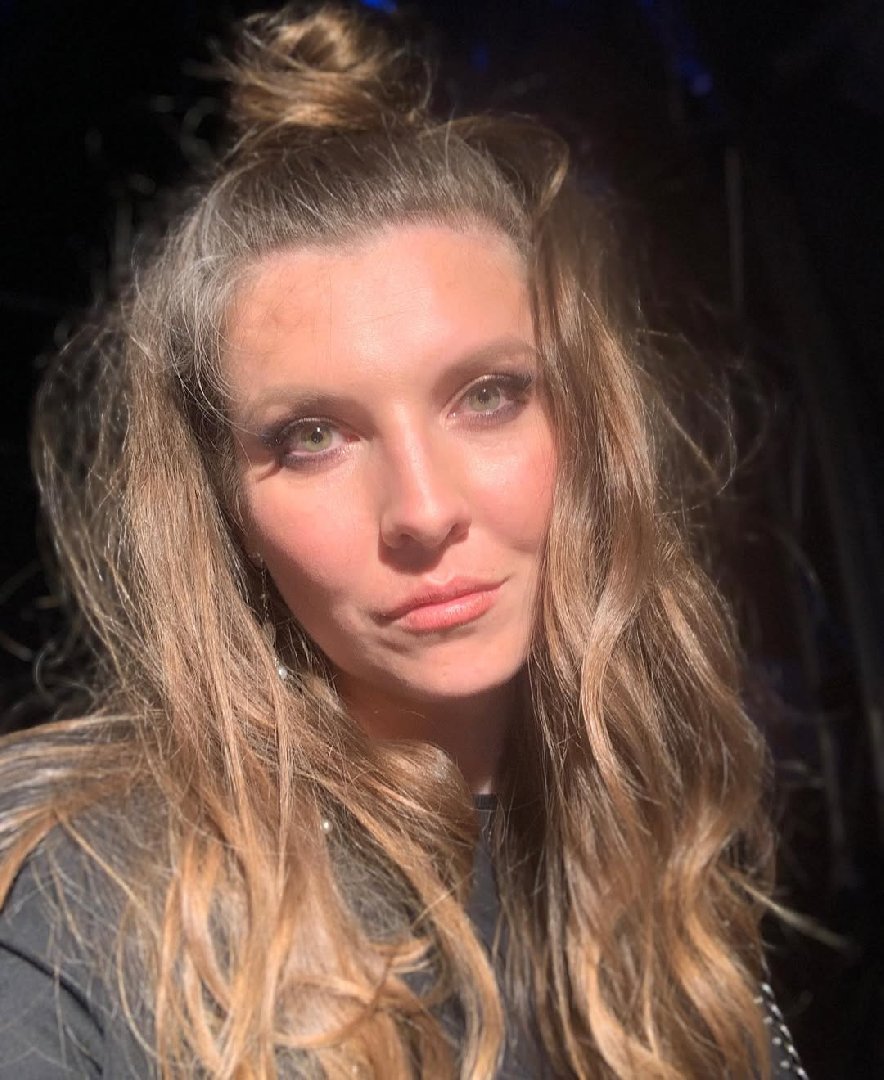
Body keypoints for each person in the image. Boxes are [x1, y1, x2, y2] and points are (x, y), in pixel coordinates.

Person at [0, 4, 807, 1077]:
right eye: (312, 437)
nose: (422, 511)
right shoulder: (87, 896)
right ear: (225, 511)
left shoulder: (655, 828)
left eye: (487, 395)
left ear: (588, 423)